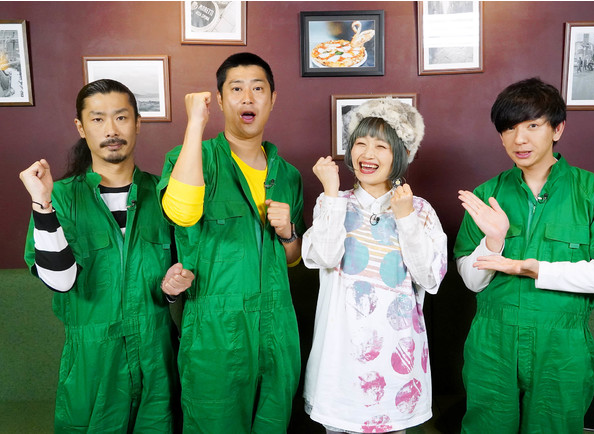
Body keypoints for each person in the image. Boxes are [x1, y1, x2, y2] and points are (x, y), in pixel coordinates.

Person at [454, 77, 594, 434]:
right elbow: (472, 281)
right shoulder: (486, 194)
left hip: (561, 345)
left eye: (532, 126)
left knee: (554, 426)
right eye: (509, 129)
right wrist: (493, 240)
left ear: (557, 129)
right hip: (492, 342)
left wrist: (536, 269)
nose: (519, 139)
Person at [20, 79, 194, 433]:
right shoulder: (59, 197)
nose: (111, 130)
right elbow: (60, 281)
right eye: (98, 119)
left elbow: (171, 279)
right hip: (92, 360)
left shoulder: (164, 194)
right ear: (81, 127)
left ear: (138, 123)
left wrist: (172, 288)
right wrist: (42, 204)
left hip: (157, 355)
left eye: (121, 117)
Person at [158, 52, 306, 433]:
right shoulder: (195, 158)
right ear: (221, 100)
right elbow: (181, 212)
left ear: (272, 99)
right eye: (236, 89)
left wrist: (288, 234)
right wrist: (195, 124)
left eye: (258, 89)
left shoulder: (288, 175)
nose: (248, 98)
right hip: (216, 330)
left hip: (278, 326)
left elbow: (292, 259)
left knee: (274, 424)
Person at [302, 98, 448, 434]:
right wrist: (331, 193)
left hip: (396, 365)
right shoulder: (333, 202)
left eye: (381, 146)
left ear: (402, 154)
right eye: (361, 143)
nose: (368, 154)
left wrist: (406, 218)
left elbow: (430, 278)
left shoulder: (420, 210)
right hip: (339, 362)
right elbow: (324, 256)